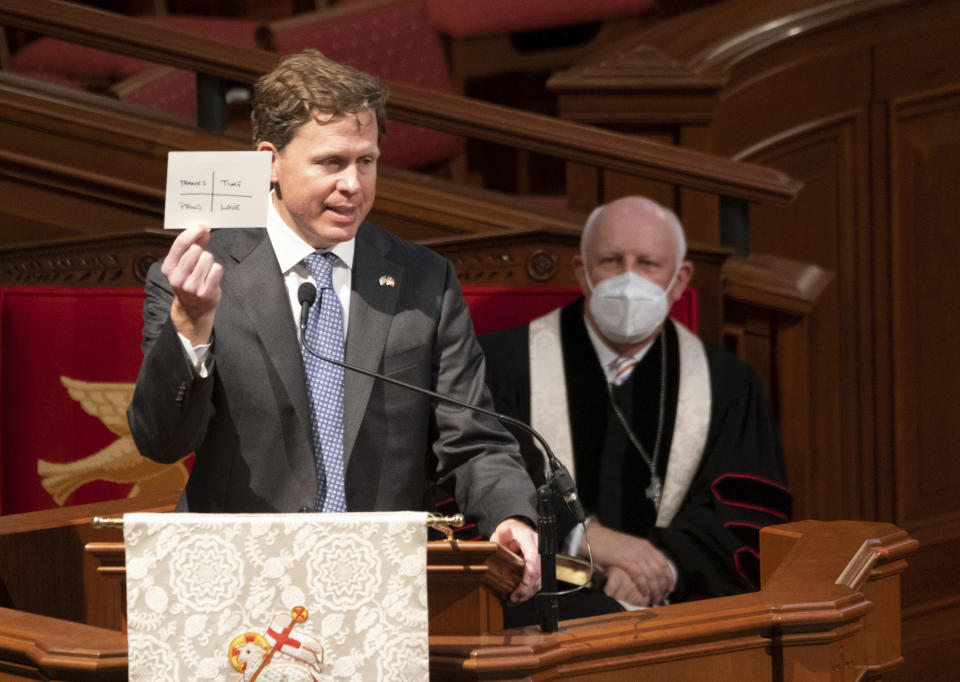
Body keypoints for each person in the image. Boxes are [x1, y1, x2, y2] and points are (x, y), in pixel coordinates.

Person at [126, 49, 540, 603]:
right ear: (270, 161)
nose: (352, 183)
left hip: (381, 587)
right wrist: (192, 325)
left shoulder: (423, 280)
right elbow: (161, 441)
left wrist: (510, 514)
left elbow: (474, 440)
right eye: (330, 162)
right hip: (239, 582)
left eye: (366, 162)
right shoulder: (197, 278)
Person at [479, 196, 790, 613]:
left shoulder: (728, 384)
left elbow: (746, 520)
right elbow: (477, 477)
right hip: (541, 603)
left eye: (647, 264)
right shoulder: (502, 364)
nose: (628, 279)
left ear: (679, 281)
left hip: (681, 605)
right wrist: (581, 537)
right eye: (611, 261)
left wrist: (660, 566)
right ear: (582, 272)